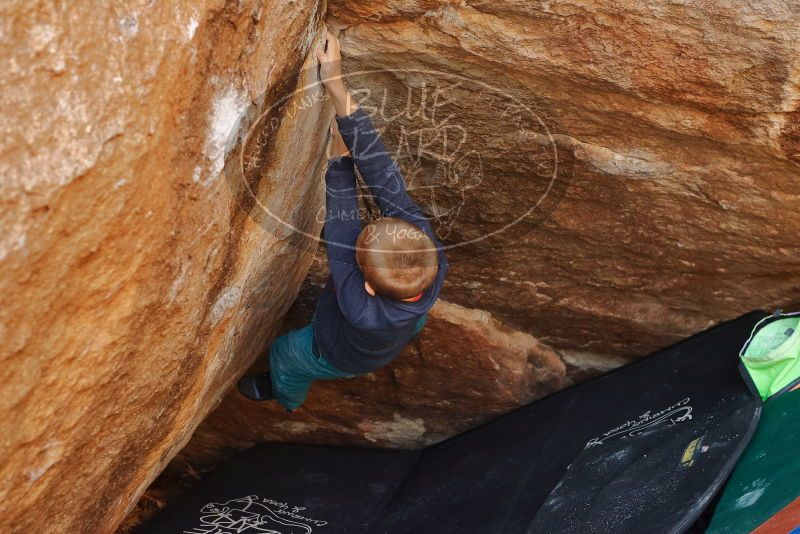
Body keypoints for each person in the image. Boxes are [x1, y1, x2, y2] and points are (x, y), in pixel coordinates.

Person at [237, 32, 448, 411]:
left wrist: (339, 162)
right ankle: (407, 319)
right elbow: (385, 177)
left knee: (286, 354)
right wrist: (336, 85)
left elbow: (342, 224)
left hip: (338, 352)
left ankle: (286, 397)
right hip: (403, 321)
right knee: (407, 321)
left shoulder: (358, 303)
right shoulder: (430, 256)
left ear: (366, 285)